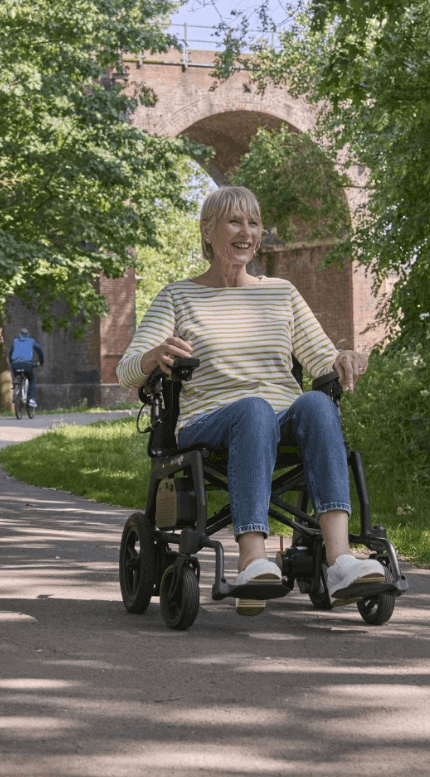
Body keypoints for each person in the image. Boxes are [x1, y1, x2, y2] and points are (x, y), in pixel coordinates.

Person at [116, 185, 385, 615]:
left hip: (279, 418)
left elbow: (321, 361)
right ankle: (251, 558)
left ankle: (340, 559)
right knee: (254, 409)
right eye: (235, 222)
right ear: (208, 232)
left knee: (317, 404)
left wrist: (345, 359)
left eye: (254, 223)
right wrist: (154, 355)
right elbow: (127, 369)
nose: (247, 232)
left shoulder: (281, 293)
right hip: (209, 422)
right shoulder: (177, 296)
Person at [9, 327, 45, 408]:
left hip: (15, 364)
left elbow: (10, 353)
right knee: (31, 379)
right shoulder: (31, 340)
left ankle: (16, 388)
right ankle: (31, 399)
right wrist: (41, 362)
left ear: (19, 334)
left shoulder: (15, 341)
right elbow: (40, 351)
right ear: (28, 334)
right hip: (27, 364)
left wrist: (12, 363)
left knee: (17, 375)